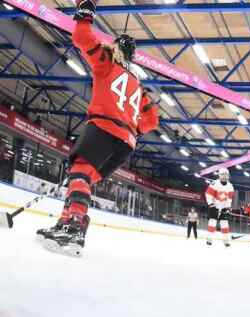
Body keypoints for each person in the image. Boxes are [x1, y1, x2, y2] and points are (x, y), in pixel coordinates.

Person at [36, 0, 159, 257]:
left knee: (79, 172)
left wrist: (85, 10)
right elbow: (151, 122)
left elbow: (81, 36)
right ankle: (65, 222)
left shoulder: (108, 64)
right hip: (126, 144)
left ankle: (74, 228)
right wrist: (130, 126)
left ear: (117, 49)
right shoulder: (139, 85)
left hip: (104, 128)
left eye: (113, 46)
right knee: (82, 179)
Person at [205, 169, 235, 247]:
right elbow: (208, 194)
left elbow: (229, 199)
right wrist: (211, 204)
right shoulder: (214, 183)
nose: (224, 176)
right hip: (214, 206)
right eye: (222, 174)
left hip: (223, 207)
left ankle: (226, 240)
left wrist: (228, 207)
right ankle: (209, 238)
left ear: (228, 176)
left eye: (226, 175)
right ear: (219, 175)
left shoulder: (230, 186)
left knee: (224, 224)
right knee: (212, 222)